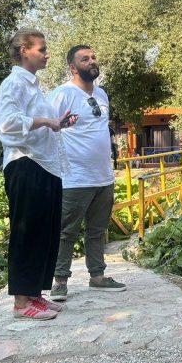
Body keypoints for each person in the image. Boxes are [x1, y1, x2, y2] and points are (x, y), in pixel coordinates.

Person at [0, 29, 78, 320]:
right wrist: (45, 120)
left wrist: (56, 123)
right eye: (41, 49)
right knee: (28, 231)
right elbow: (7, 124)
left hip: (44, 164)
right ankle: (21, 303)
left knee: (45, 231)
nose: (47, 54)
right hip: (26, 163)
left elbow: (34, 123)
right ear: (24, 51)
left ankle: (34, 295)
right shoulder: (14, 83)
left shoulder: (32, 86)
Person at [49, 45, 127, 297]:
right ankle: (60, 281)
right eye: (85, 59)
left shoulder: (101, 94)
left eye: (93, 57)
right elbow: (47, 128)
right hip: (74, 178)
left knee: (97, 230)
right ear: (73, 67)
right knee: (66, 232)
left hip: (103, 176)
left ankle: (98, 276)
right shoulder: (62, 94)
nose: (92, 61)